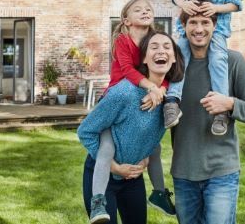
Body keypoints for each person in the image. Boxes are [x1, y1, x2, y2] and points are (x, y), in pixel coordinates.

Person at [170, 0, 245, 224]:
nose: (199, 29)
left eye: (205, 22)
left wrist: (230, 104)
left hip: (222, 171)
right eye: (193, 22)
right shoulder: (174, 66)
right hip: (183, 171)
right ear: (184, 26)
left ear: (215, 26)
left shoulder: (233, 61)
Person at [78, 31, 184, 224]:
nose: (161, 51)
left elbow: (152, 137)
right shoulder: (124, 93)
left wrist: (144, 155)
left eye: (167, 47)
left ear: (175, 58)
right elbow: (85, 131)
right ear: (144, 58)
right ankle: (98, 203)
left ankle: (160, 194)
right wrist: (115, 168)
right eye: (154, 47)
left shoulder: (171, 101)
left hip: (133, 177)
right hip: (102, 173)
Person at [165, 0, 242, 136]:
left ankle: (220, 111)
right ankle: (172, 102)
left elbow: (235, 4)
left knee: (218, 59)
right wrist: (183, 4)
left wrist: (215, 8)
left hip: (216, 30)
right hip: (189, 29)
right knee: (179, 55)